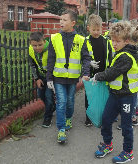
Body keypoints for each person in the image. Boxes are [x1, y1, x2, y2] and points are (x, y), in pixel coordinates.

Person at [91, 21, 138, 163]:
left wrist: (97, 76)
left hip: (127, 97)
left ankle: (128, 152)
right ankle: (108, 144)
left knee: (126, 126)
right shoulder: (121, 52)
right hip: (115, 94)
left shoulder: (125, 56)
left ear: (126, 41)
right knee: (106, 119)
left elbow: (112, 73)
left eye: (117, 41)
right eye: (112, 40)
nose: (113, 43)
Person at [46, 10, 91, 143]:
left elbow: (86, 58)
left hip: (72, 78)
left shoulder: (80, 40)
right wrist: (49, 78)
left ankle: (68, 118)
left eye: (64, 20)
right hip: (58, 78)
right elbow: (50, 60)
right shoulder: (54, 38)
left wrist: (86, 73)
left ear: (73, 23)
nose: (61, 22)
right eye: (60, 19)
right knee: (61, 102)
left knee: (70, 101)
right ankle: (61, 130)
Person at [84, 14, 113, 127]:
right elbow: (82, 56)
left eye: (98, 29)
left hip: (103, 73)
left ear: (102, 28)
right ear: (88, 28)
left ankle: (101, 115)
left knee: (103, 95)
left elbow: (110, 56)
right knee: (89, 96)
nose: (96, 32)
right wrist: (89, 62)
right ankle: (89, 117)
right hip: (90, 74)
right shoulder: (85, 41)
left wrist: (109, 71)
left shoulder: (106, 41)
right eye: (93, 29)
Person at [116, 24, 138, 130]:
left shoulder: (131, 52)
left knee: (130, 103)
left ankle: (131, 120)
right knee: (134, 99)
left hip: (130, 83)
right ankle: (134, 115)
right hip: (136, 83)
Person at [28, 31, 55, 128]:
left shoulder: (51, 49)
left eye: (40, 45)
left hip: (51, 77)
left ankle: (47, 117)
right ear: (30, 43)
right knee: (41, 94)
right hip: (41, 77)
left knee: (48, 96)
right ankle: (52, 106)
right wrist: (37, 78)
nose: (37, 48)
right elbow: (32, 65)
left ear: (44, 41)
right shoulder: (31, 50)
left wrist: (50, 79)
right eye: (34, 45)